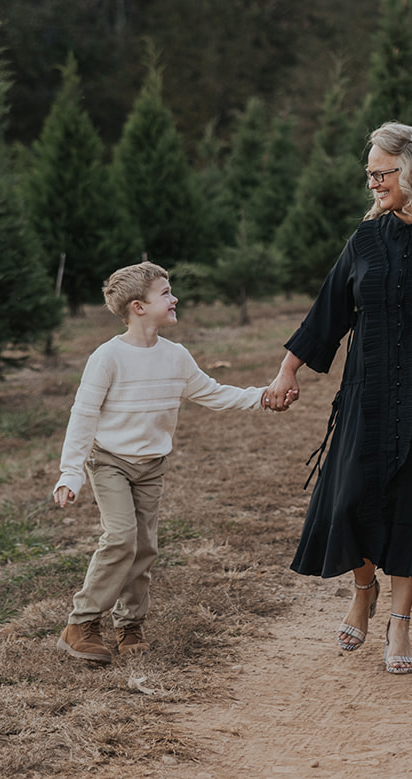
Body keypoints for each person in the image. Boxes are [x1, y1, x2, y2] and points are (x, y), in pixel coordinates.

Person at [265, 123, 412, 676]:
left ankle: (401, 622)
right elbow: (328, 311)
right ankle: (363, 589)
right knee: (352, 498)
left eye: (381, 174)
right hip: (367, 392)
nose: (373, 185)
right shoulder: (366, 239)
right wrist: (288, 372)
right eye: (370, 175)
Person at [53, 262, 272, 664]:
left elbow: (213, 392)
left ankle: (130, 624)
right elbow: (83, 415)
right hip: (111, 462)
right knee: (121, 537)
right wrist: (71, 472)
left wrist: (262, 396)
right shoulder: (108, 358)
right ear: (138, 306)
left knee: (145, 547)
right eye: (165, 293)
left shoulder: (176, 356)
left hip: (152, 465)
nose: (174, 299)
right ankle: (80, 624)